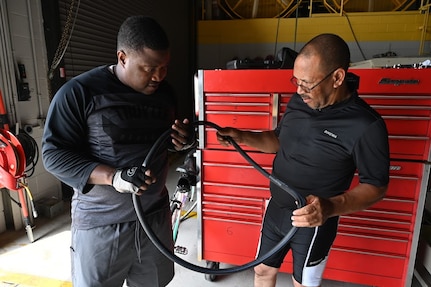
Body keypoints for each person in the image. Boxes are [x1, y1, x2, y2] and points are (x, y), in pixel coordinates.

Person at [216, 33, 389, 287]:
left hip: (314, 224)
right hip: (276, 210)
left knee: (303, 285)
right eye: (296, 81)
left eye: (307, 84)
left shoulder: (366, 125)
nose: (298, 90)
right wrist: (242, 136)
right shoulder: (300, 101)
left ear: (337, 78)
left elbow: (376, 186)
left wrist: (329, 207)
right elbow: (279, 140)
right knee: (262, 271)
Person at [42, 16, 194, 287]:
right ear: (122, 58)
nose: (158, 76)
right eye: (149, 68)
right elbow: (54, 155)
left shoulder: (164, 93)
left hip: (154, 220)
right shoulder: (79, 93)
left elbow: (162, 142)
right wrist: (114, 177)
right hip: (102, 225)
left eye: (164, 67)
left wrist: (180, 141)